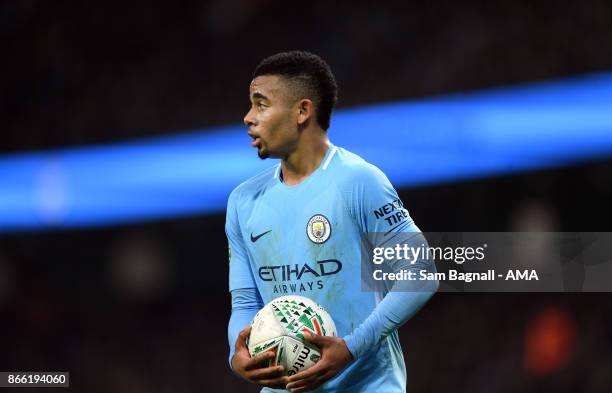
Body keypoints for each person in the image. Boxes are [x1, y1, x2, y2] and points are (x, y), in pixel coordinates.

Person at [226, 50, 437, 393]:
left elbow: (420, 274)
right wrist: (238, 352)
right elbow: (246, 304)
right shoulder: (243, 201)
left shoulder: (359, 181)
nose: (248, 117)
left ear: (302, 111)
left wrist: (351, 347)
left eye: (261, 104)